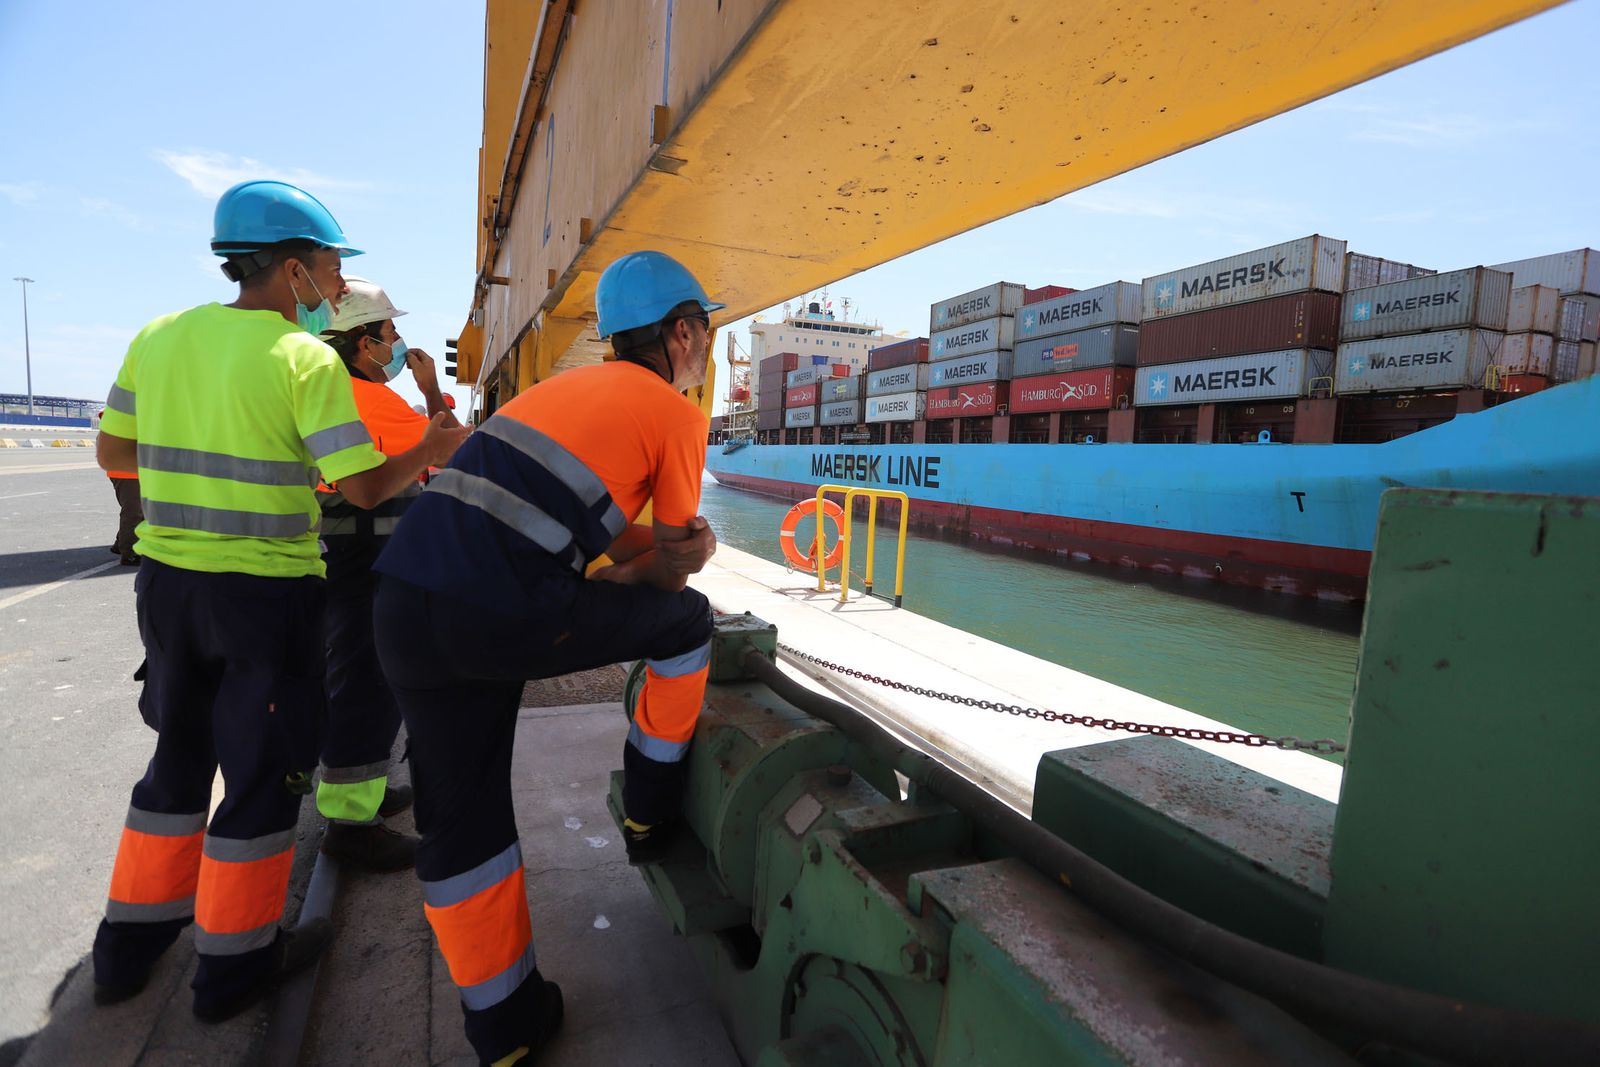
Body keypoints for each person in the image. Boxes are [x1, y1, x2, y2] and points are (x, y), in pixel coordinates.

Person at [90, 179, 470, 1022]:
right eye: (333, 264)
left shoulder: (159, 334)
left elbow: (113, 447)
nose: (337, 284)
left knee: (177, 760)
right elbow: (366, 486)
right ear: (293, 269)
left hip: (167, 586)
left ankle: (127, 948)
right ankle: (233, 969)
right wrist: (436, 443)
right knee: (264, 777)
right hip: (264, 592)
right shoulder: (301, 360)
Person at [369, 250, 721, 1066]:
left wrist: (638, 556)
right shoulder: (675, 414)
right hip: (499, 611)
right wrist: (688, 554)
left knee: (462, 818)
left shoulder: (549, 396)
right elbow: (665, 574)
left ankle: (506, 1027)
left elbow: (559, 519)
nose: (706, 350)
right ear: (680, 332)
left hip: (406, 602)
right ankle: (648, 804)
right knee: (689, 623)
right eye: (704, 332)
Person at [314, 278, 462, 870]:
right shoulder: (370, 399)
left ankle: (363, 797)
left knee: (356, 677)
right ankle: (350, 826)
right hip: (368, 562)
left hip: (346, 554)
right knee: (369, 684)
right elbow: (451, 446)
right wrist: (431, 389)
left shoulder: (331, 391)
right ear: (362, 341)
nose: (398, 341)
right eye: (390, 332)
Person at [107, 468, 142, 565]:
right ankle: (129, 553)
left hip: (132, 470)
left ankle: (121, 543)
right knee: (133, 511)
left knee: (140, 509)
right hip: (128, 471)